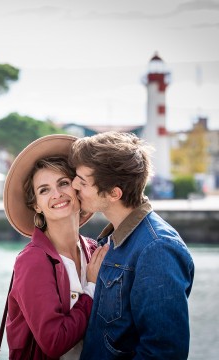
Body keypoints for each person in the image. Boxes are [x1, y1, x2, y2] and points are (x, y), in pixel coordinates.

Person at [68, 131, 195, 360]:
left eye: (83, 181)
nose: (74, 185)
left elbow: (164, 353)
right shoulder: (108, 241)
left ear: (114, 194)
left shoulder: (158, 249)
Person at [3, 134, 109, 360]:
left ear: (77, 189)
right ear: (37, 206)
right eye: (44, 190)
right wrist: (90, 288)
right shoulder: (32, 261)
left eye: (63, 183)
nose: (57, 194)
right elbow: (53, 342)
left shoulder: (93, 250)